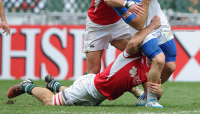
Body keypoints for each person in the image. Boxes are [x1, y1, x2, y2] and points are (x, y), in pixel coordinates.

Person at [7, 16, 163, 107]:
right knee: (50, 101)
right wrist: (152, 26)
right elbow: (133, 43)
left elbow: (152, 95)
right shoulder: (134, 54)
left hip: (97, 94)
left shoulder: (150, 71)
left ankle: (54, 85)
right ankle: (27, 85)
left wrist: (158, 92)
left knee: (72, 98)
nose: (154, 50)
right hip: (92, 88)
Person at [106, 0, 176, 108]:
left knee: (170, 67)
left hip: (160, 22)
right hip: (142, 30)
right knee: (159, 60)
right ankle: (151, 100)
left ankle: (146, 92)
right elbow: (137, 24)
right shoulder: (119, 0)